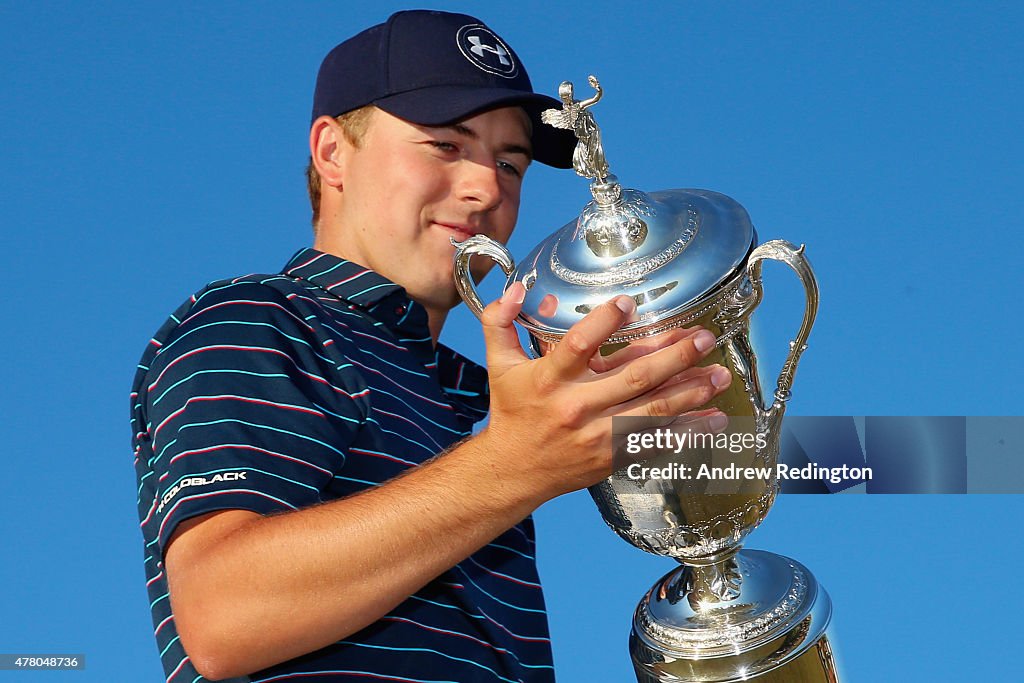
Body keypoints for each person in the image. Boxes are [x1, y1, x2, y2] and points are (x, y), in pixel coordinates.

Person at [131, 10, 733, 682]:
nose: (487, 188)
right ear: (332, 151)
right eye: (446, 146)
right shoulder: (260, 319)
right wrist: (513, 465)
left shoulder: (456, 406)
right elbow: (225, 613)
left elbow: (836, 458)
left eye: (512, 162)